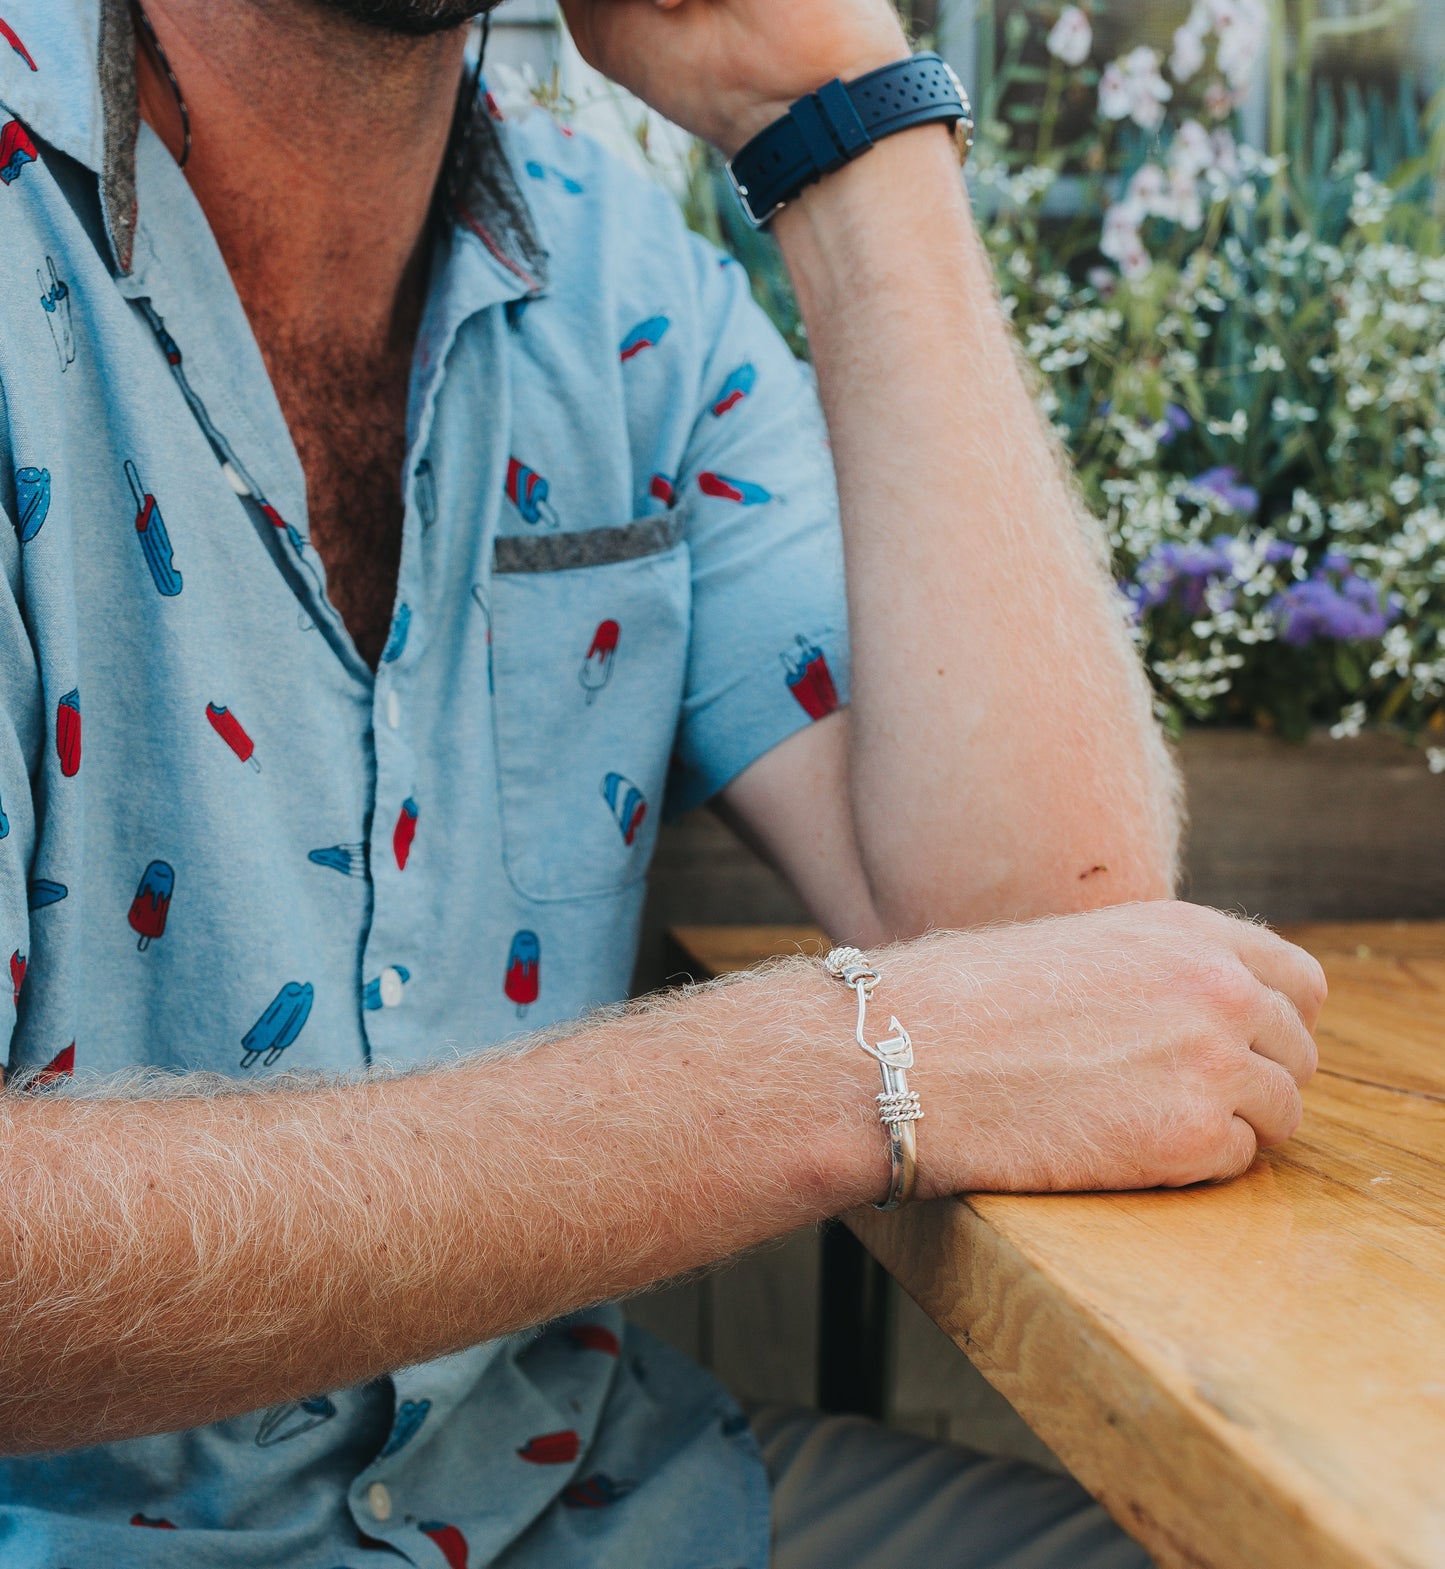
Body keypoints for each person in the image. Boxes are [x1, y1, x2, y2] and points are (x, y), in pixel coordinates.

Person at [0, 0, 1323, 1564]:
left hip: (588, 1502)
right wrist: (841, 1070)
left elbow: (1051, 949)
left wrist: (841, 126)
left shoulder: (617, 279)